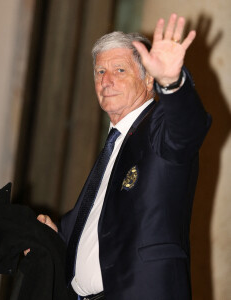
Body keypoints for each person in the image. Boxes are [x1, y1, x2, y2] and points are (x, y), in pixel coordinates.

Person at [33, 13, 211, 299]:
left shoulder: (157, 128)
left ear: (148, 79)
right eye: (100, 72)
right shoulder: (114, 144)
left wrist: (173, 83)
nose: (106, 81)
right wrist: (56, 238)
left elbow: (187, 130)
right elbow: (100, 228)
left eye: (119, 70)